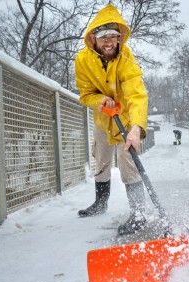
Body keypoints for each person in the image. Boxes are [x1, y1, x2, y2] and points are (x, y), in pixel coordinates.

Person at [74, 4, 149, 235]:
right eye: (104, 37)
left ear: (120, 38)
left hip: (125, 118)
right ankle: (100, 202)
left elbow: (136, 93)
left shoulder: (126, 57)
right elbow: (85, 94)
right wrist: (100, 100)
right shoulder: (83, 60)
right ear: (93, 38)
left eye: (114, 37)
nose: (109, 42)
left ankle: (139, 215)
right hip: (103, 119)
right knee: (101, 160)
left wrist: (136, 127)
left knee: (128, 161)